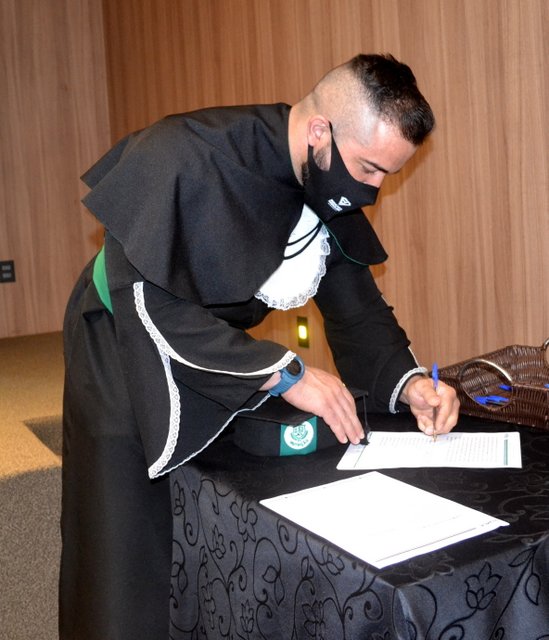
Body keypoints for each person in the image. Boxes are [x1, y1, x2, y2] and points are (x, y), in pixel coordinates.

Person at [60, 53, 459, 639]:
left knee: (216, 516)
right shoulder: (184, 155)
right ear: (320, 131)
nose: (374, 190)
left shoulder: (326, 176)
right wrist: (288, 373)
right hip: (122, 338)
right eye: (370, 168)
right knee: (125, 543)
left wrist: (411, 383)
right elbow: (153, 306)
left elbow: (356, 309)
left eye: (387, 176)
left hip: (224, 354)